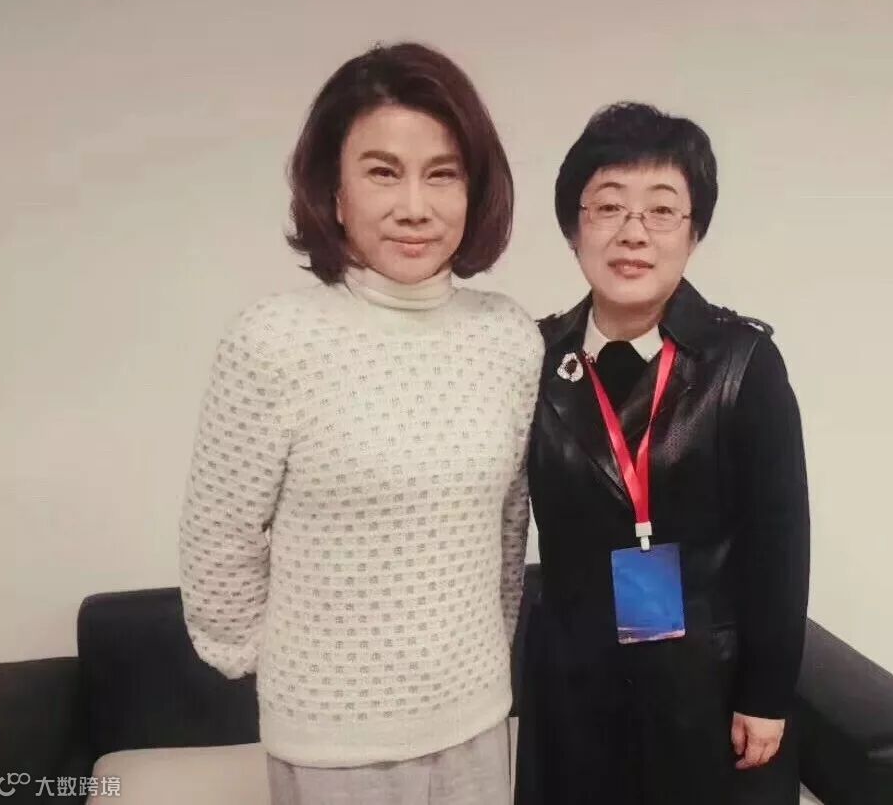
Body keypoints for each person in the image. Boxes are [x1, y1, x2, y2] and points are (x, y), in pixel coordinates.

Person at [178, 42, 543, 805]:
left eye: (442, 174)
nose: (414, 206)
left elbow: (510, 526)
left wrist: (478, 659)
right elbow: (219, 540)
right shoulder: (274, 339)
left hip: (476, 717)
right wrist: (294, 670)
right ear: (334, 191)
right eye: (383, 172)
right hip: (331, 741)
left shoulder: (509, 337)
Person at [516, 102, 810, 804]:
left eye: (661, 210)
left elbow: (781, 541)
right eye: (608, 206)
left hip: (704, 687)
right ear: (573, 227)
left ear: (694, 231)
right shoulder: (532, 359)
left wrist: (766, 694)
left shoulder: (742, 364)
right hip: (572, 689)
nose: (633, 233)